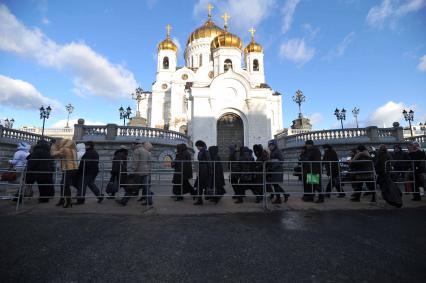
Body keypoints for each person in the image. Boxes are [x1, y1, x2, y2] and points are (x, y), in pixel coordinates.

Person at [117, 140, 154, 206]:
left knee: (131, 187)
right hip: (146, 172)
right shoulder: (146, 151)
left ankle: (124, 201)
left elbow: (135, 162)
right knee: (146, 188)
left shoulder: (136, 151)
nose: (132, 145)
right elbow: (149, 163)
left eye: (132, 144)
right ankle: (150, 201)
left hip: (138, 172)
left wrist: (132, 171)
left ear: (135, 144)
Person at [51, 139, 79, 208]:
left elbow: (53, 154)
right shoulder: (73, 150)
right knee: (64, 184)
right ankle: (63, 200)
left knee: (65, 185)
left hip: (68, 168)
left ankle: (67, 201)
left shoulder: (65, 149)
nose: (58, 144)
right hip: (73, 168)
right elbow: (60, 155)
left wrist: (53, 146)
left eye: (59, 143)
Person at [267, 139, 289, 204]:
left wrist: (273, 165)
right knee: (275, 184)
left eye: (271, 145)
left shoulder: (277, 151)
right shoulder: (273, 151)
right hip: (274, 170)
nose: (270, 147)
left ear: (274, 145)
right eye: (269, 145)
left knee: (275, 184)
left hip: (277, 170)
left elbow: (281, 160)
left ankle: (279, 198)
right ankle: (283, 195)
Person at [194, 140, 211, 205]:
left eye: (197, 146)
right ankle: (199, 200)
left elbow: (209, 162)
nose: (197, 147)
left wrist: (210, 171)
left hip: (205, 172)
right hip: (202, 171)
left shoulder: (205, 152)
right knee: (199, 186)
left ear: (200, 146)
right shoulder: (201, 152)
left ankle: (200, 199)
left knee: (201, 186)